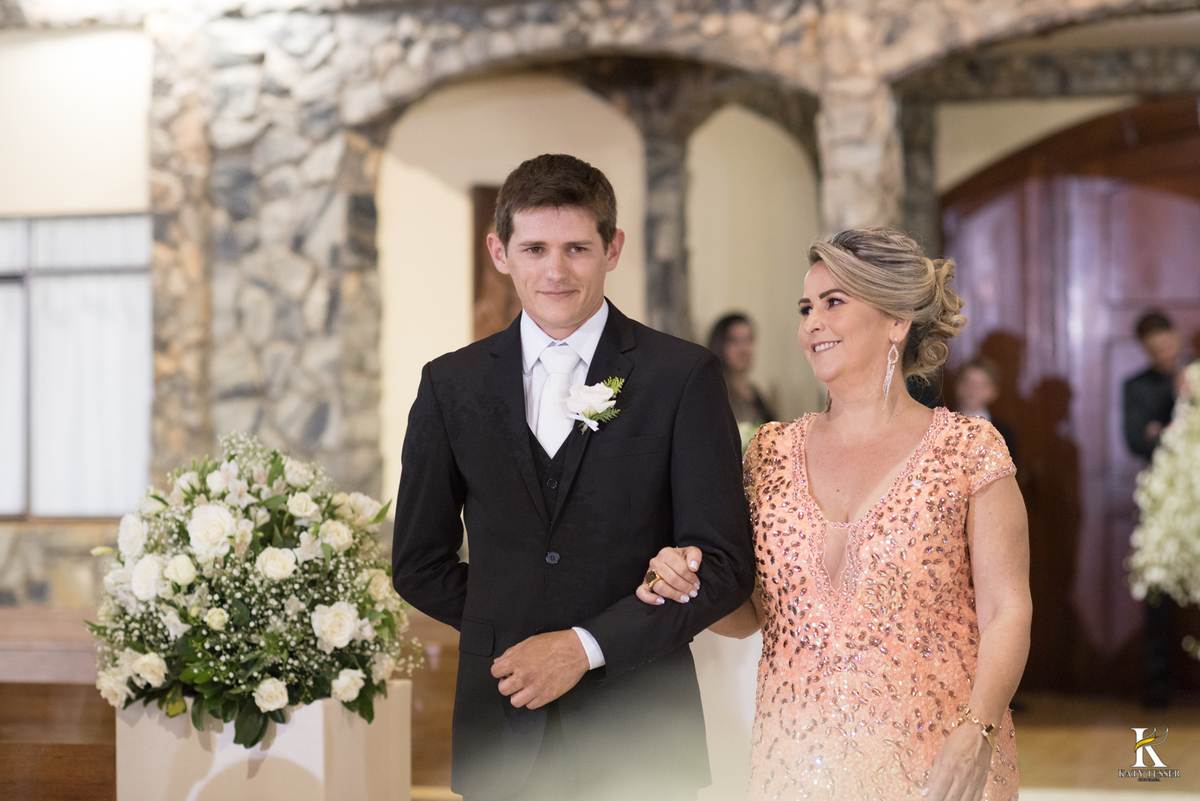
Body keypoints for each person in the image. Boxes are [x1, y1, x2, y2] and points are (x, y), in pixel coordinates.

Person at [391, 154, 755, 801]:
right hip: (503, 720)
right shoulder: (450, 385)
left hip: (641, 726)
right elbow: (418, 562)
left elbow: (724, 564)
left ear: (612, 248)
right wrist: (514, 634)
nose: (555, 270)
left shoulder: (681, 377)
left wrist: (585, 645)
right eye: (534, 247)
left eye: (576, 247)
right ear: (499, 251)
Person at [637, 228, 1032, 800]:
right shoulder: (769, 453)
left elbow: (1008, 608)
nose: (811, 324)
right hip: (794, 763)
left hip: (940, 762)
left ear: (897, 319)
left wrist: (980, 730)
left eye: (833, 302)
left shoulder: (969, 450)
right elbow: (749, 613)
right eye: (805, 308)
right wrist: (688, 582)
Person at [1122, 310, 1185, 708]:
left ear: (1176, 338)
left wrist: (1160, 430)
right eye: (1154, 349)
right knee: (1157, 595)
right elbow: (1135, 441)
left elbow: (1155, 436)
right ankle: (1158, 685)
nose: (1162, 352)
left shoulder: (1194, 375)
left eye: (1166, 344)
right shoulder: (1137, 387)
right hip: (1162, 501)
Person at [708, 313, 777, 449]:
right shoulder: (714, 393)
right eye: (734, 341)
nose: (744, 349)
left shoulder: (757, 394)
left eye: (748, 340)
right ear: (719, 344)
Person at [955, 356, 1018, 463]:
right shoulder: (942, 426)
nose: (972, 389)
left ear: (993, 391)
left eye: (980, 385)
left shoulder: (1003, 432)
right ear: (958, 386)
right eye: (968, 382)